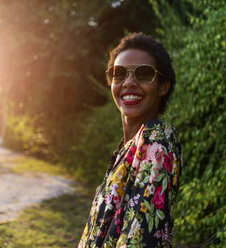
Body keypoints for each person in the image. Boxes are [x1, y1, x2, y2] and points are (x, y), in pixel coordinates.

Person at [78, 32, 182, 248]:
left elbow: (140, 239)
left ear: (163, 86)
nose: (129, 82)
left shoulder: (158, 140)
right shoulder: (126, 150)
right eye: (119, 74)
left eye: (144, 74)